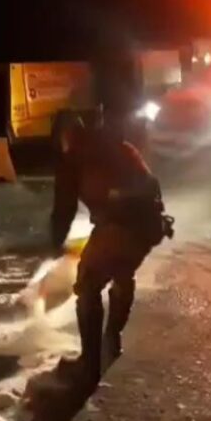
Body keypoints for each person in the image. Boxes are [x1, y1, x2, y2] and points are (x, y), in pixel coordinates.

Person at [50, 114, 173, 389]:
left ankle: (88, 366)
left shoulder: (74, 158)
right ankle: (112, 339)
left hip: (119, 228)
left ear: (65, 136)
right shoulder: (122, 147)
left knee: (87, 284)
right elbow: (151, 183)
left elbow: (64, 209)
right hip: (149, 228)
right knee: (122, 273)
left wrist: (53, 244)